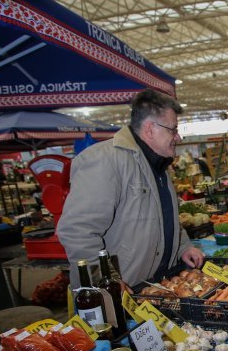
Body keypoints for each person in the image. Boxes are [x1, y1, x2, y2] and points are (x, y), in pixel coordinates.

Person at [57, 89, 204, 289]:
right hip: (121, 294)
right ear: (151, 128)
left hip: (155, 286)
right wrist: (107, 280)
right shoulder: (105, 160)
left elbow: (165, 218)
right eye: (173, 129)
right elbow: (76, 231)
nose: (178, 137)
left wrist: (184, 247)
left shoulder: (158, 165)